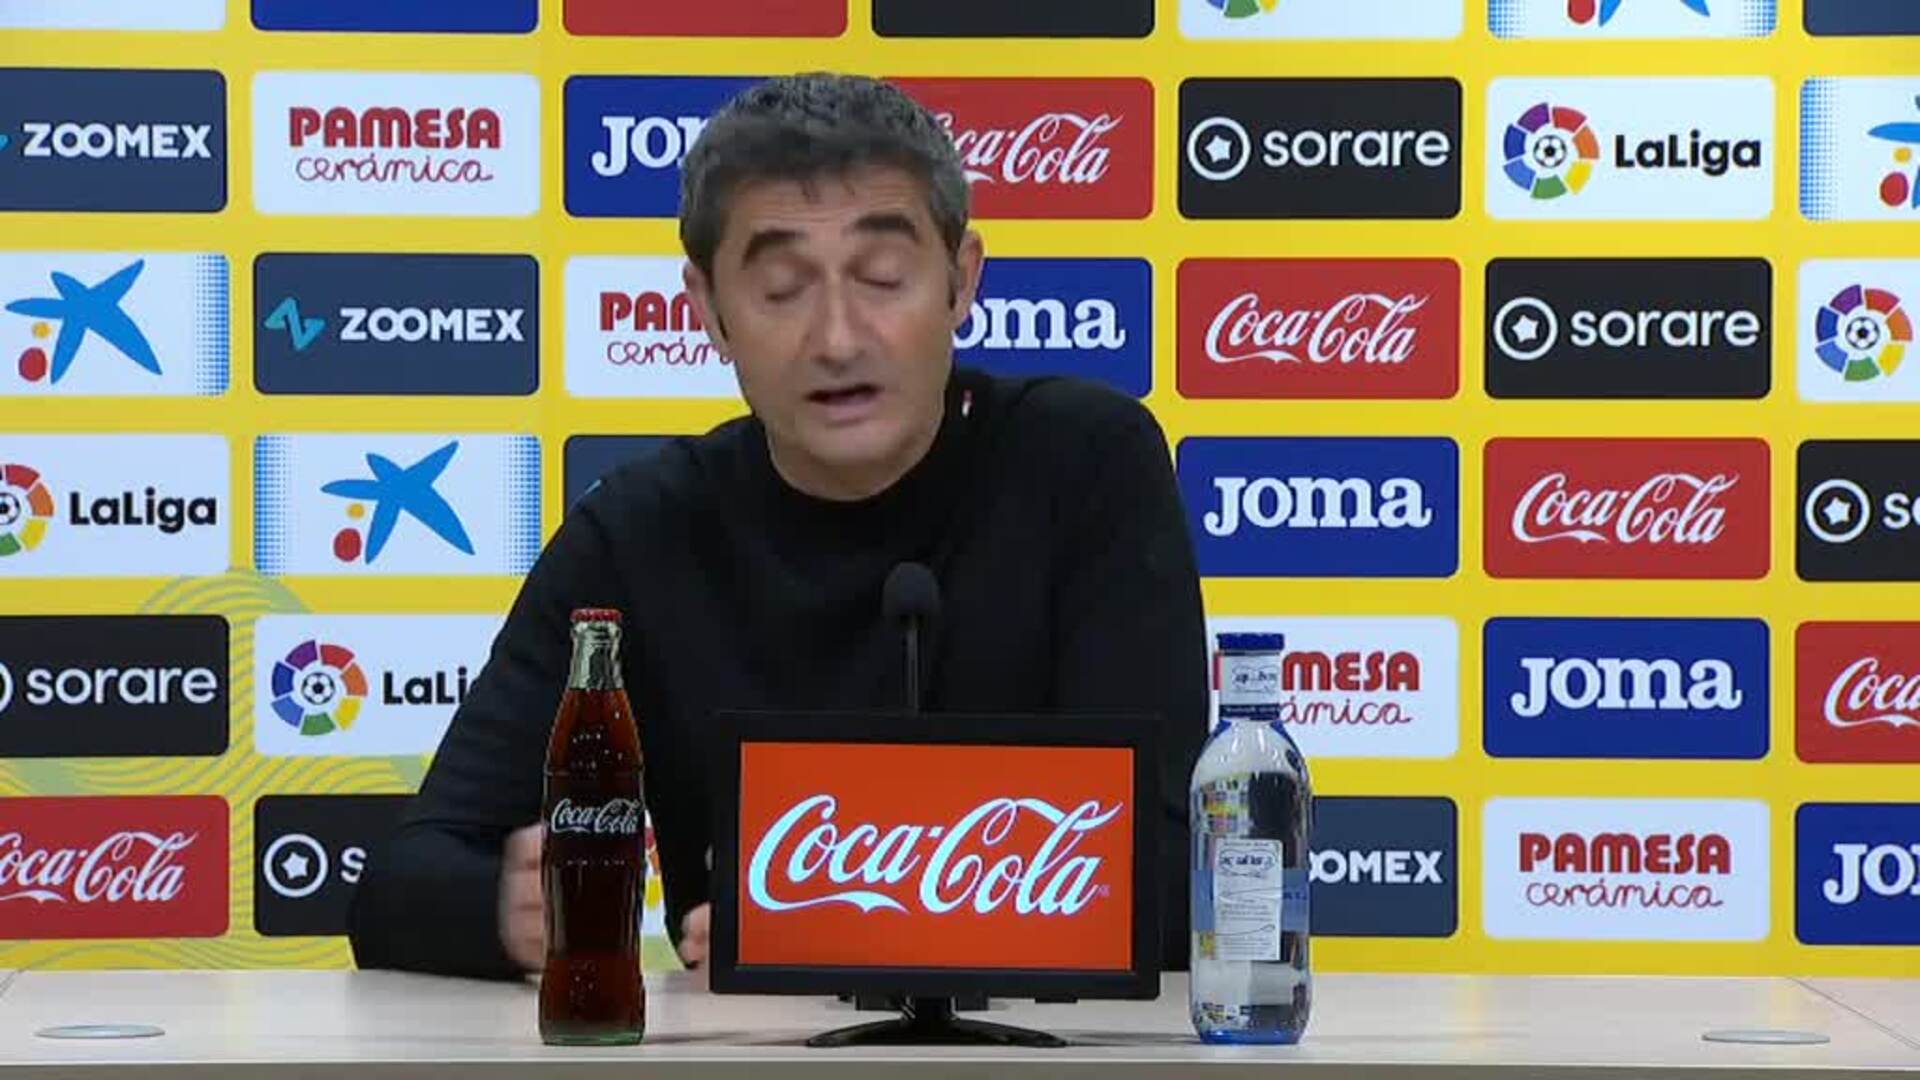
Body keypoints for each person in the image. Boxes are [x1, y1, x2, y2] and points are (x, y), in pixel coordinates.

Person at [346, 71, 1209, 980]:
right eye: (782, 288)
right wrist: (503, 908)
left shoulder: (1083, 466)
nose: (838, 337)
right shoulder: (642, 533)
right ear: (709, 312)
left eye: (883, 279)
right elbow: (401, 885)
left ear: (961, 281)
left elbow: (1167, 877)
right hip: (750, 1048)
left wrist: (836, 928)